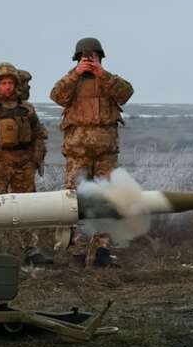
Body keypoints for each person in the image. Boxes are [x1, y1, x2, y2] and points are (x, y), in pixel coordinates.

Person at [50, 37, 134, 267]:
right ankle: (75, 252)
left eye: (94, 57)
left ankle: (101, 251)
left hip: (106, 152)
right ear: (78, 59)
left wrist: (102, 73)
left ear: (100, 58)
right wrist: (76, 73)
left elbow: (126, 93)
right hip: (78, 152)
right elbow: (56, 96)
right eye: (86, 57)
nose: (90, 60)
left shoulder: (109, 81)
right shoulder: (71, 81)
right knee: (75, 202)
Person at [0, 63, 49, 265]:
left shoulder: (26, 109)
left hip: (24, 166)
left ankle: (31, 249)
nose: (7, 87)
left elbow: (39, 134)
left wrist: (35, 158)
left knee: (27, 208)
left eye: (10, 83)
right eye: (3, 83)